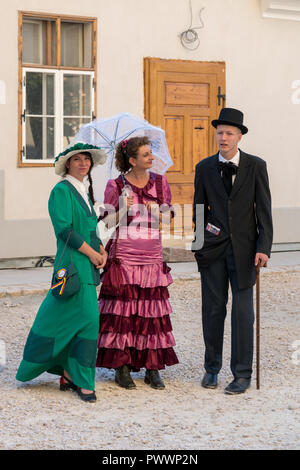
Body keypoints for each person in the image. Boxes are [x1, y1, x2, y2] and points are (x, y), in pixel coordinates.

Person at [16, 142, 108, 402]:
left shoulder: (85, 190)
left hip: (87, 266)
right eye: (77, 159)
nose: (83, 163)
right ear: (67, 163)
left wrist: (102, 249)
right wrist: (92, 253)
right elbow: (65, 230)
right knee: (89, 321)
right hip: (71, 265)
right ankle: (83, 381)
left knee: (79, 320)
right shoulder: (61, 190)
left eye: (86, 159)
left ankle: (69, 373)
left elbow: (91, 227)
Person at [192, 108, 273, 395]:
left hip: (245, 252)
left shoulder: (256, 166)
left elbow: (263, 211)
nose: (223, 138)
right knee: (213, 311)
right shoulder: (203, 168)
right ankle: (211, 369)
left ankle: (242, 374)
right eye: (219, 133)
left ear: (239, 136)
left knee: (242, 314)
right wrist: (199, 248)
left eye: (228, 133)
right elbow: (199, 212)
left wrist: (264, 247)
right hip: (212, 252)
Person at [97, 136, 179, 389]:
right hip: (124, 258)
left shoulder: (160, 182)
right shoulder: (116, 184)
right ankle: (122, 368)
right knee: (123, 314)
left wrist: (159, 212)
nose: (151, 158)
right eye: (145, 155)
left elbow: (169, 218)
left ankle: (152, 368)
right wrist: (122, 206)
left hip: (151, 257)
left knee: (151, 313)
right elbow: (107, 223)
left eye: (150, 153)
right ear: (132, 160)